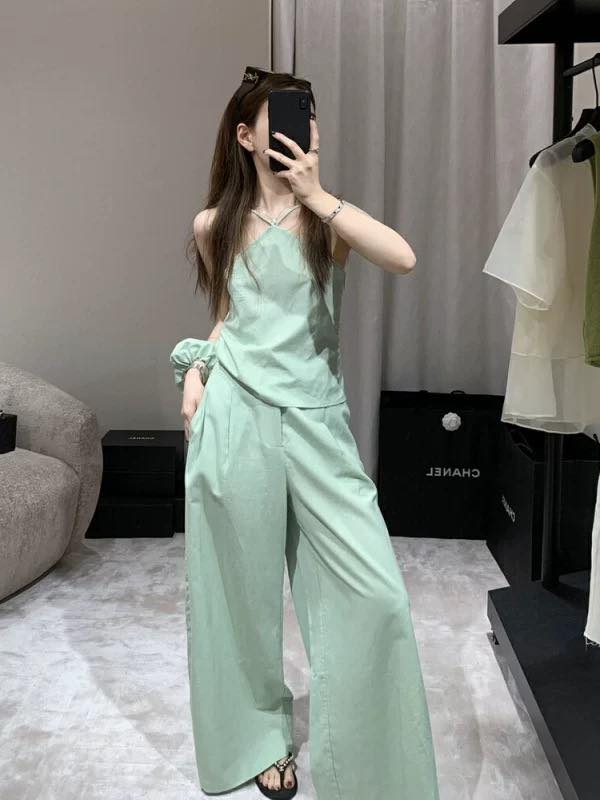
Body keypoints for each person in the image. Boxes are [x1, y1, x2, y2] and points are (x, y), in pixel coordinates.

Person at [169, 66, 440, 800]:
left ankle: (371, 769)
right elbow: (229, 319)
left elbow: (403, 256)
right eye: (289, 114)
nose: (305, 125)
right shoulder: (214, 226)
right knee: (237, 593)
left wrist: (319, 195)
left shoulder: (328, 221)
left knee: (375, 595)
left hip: (317, 424)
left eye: (310, 114)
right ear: (245, 135)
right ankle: (261, 740)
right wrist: (197, 369)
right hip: (236, 417)